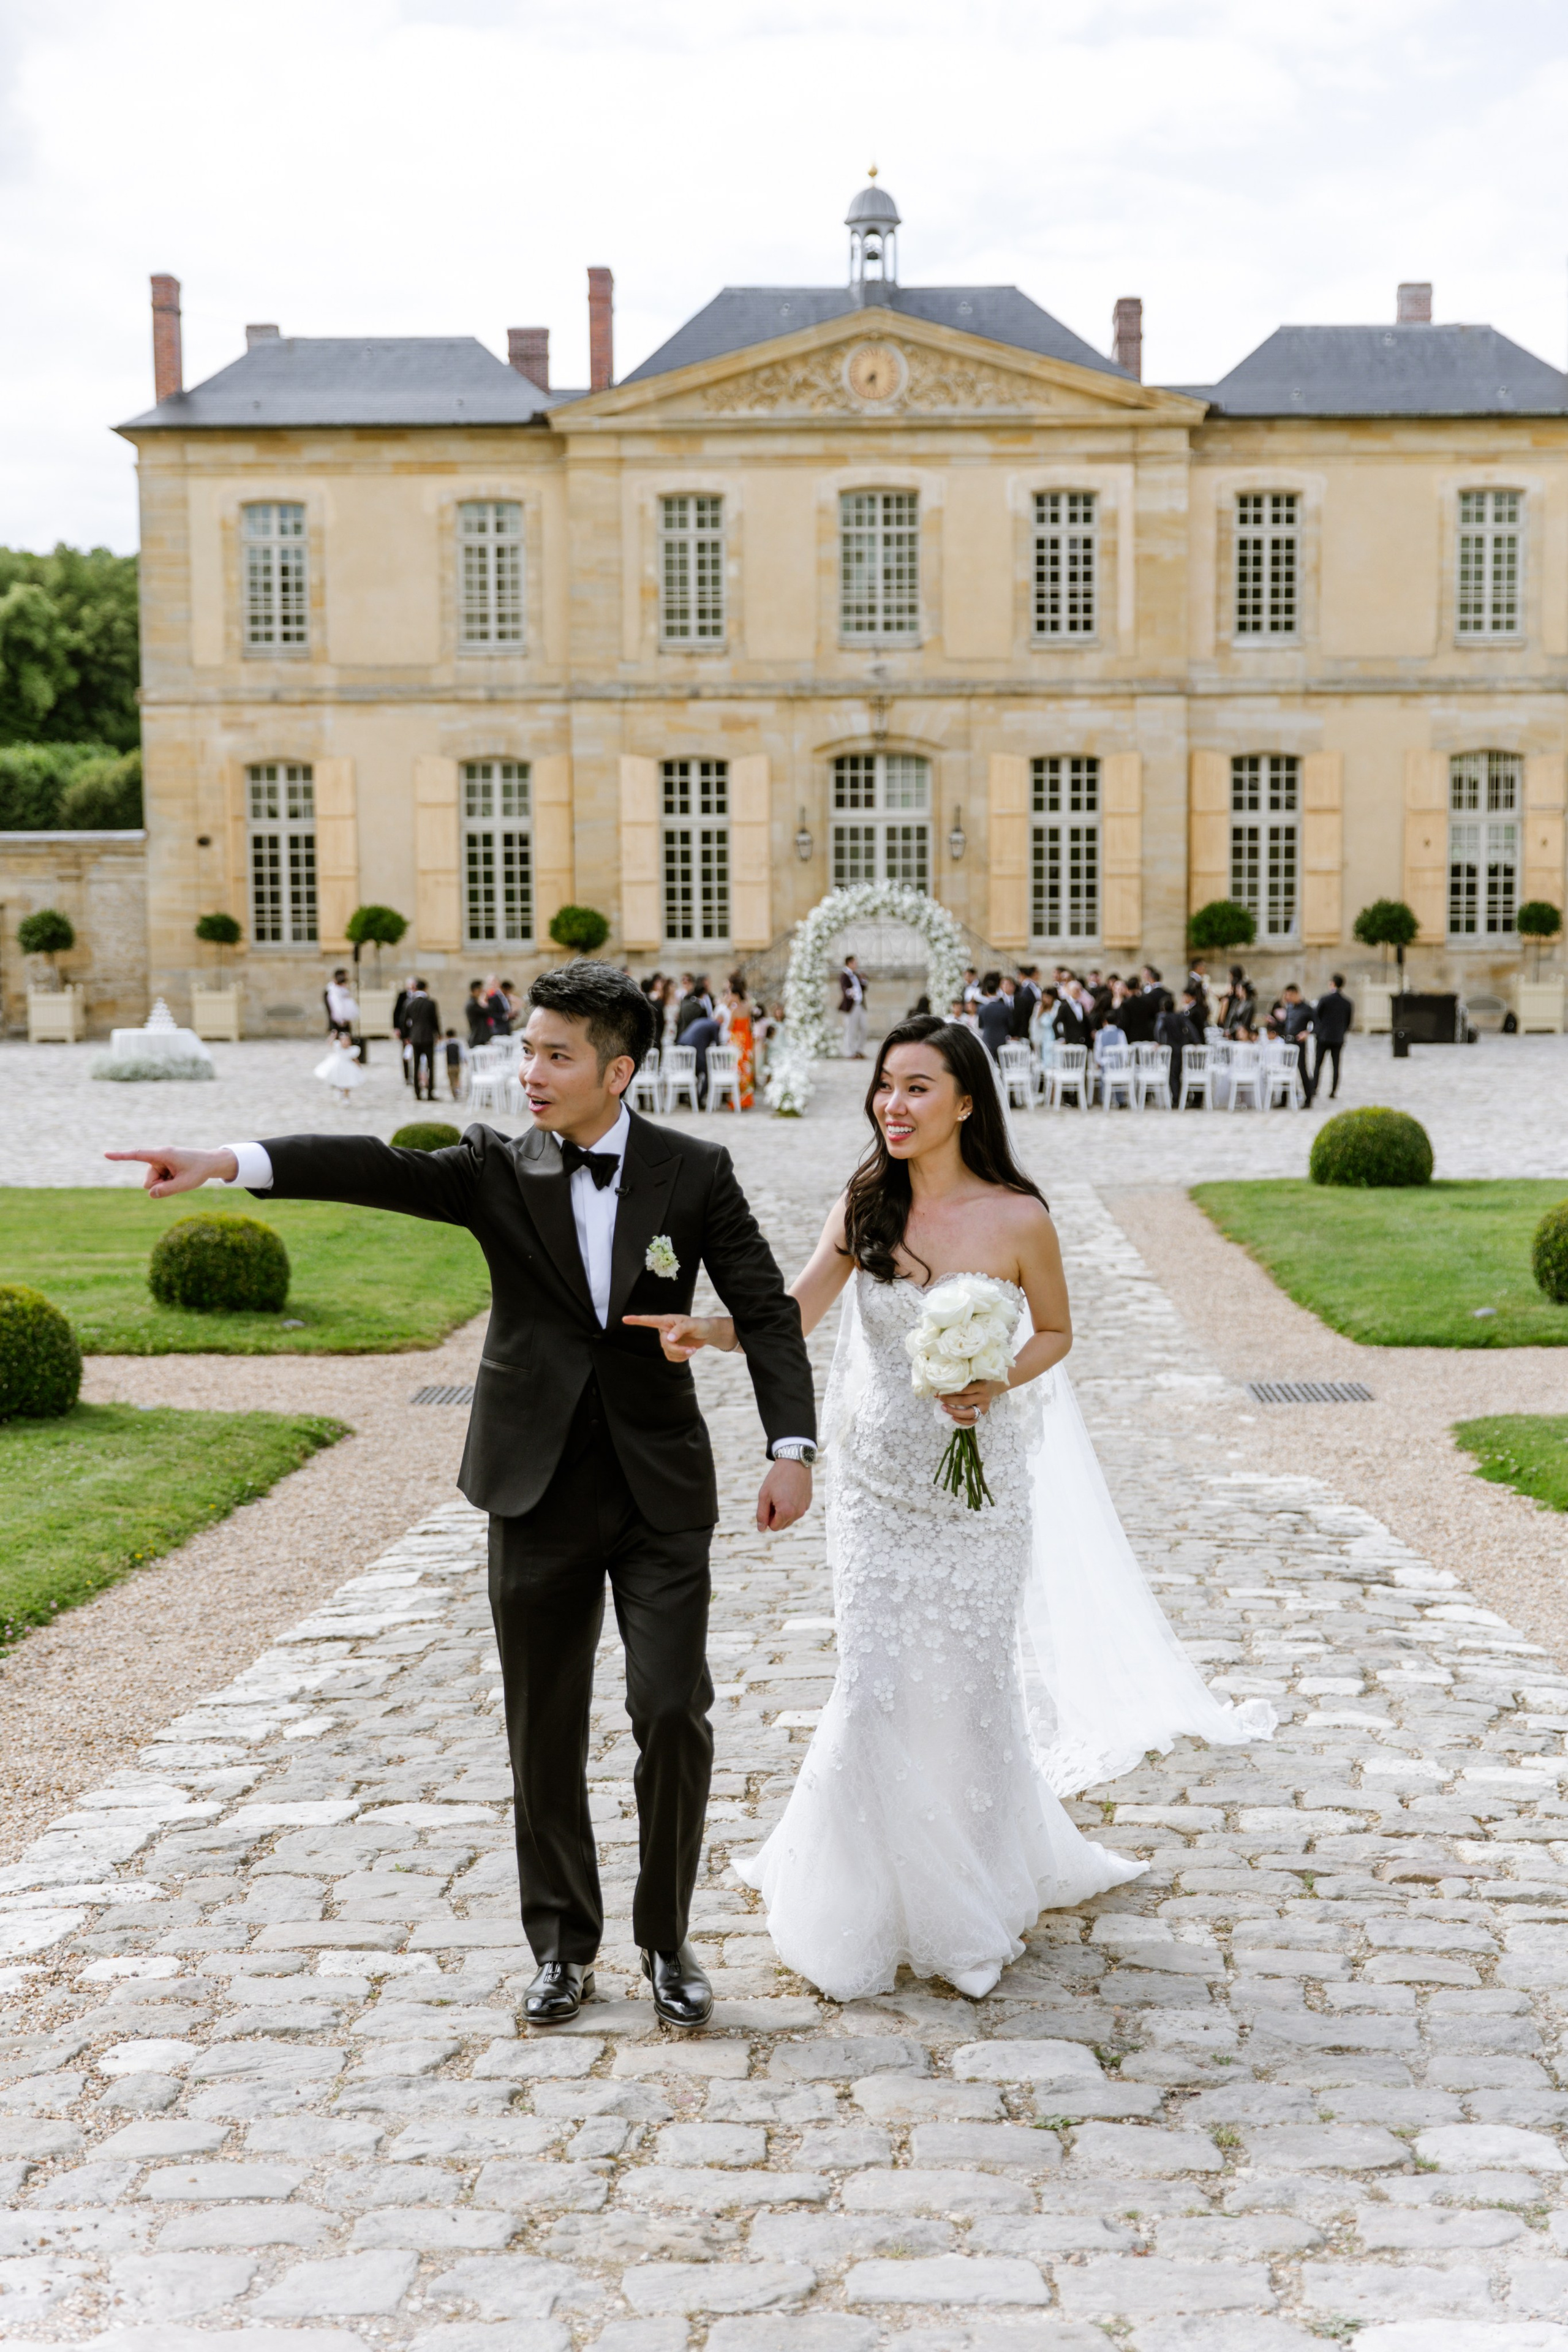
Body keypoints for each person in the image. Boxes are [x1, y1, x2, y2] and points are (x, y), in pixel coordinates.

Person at [107, 961, 816, 2034]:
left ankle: (667, 1939)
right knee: (544, 1724)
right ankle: (562, 1948)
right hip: (532, 1487)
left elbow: (765, 1309)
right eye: (529, 1051)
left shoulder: (696, 1171)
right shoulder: (495, 1165)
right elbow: (371, 1164)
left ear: (618, 1071)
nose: (530, 1072)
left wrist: (790, 1446)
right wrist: (227, 1161)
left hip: (658, 1486)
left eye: (556, 1055)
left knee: (672, 1710)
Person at [629, 1017, 1272, 2001]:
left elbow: (1055, 1331)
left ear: (966, 1103)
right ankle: (860, 1900)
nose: (893, 1105)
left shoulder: (1019, 1218)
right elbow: (793, 1312)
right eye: (886, 1085)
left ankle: (969, 1896)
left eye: (917, 1087)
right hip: (876, 1488)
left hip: (979, 1494)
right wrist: (713, 1332)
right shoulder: (865, 1203)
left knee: (968, 1694)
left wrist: (995, 1377)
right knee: (877, 1685)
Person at [1312, 973, 1354, 1101]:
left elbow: (1316, 1016)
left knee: (1318, 1064)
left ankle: (1314, 1088)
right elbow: (1348, 1022)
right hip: (1338, 1037)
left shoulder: (1324, 999)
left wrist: (1318, 1031)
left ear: (1333, 984)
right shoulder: (1347, 1003)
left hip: (1323, 1037)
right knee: (1336, 1066)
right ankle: (1333, 1091)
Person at [723, 977, 755, 1110]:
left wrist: (728, 1005)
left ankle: (736, 1100)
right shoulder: (747, 1007)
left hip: (737, 1043)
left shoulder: (734, 1010)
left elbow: (729, 1027)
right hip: (747, 1041)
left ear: (736, 995)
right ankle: (746, 1099)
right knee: (746, 1071)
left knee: (736, 1071)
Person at [406, 981, 442, 1102]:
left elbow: (405, 1021)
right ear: (426, 988)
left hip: (415, 1038)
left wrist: (408, 1036)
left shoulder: (411, 1004)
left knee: (416, 1065)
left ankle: (417, 1092)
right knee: (430, 1066)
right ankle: (430, 1092)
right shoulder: (430, 1003)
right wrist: (438, 1033)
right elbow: (435, 1020)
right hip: (428, 1037)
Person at [975, 972, 1012, 1058]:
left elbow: (980, 1025)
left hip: (987, 1039)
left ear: (987, 992)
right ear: (997, 991)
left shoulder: (982, 1008)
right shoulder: (1005, 1007)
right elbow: (1010, 1025)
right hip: (1002, 1039)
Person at [838, 957, 867, 1059]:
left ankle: (859, 1050)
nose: (856, 964)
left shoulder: (856, 975)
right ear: (849, 963)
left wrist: (863, 980)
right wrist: (852, 991)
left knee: (864, 1028)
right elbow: (846, 991)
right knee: (851, 1029)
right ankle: (849, 1052)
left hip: (860, 1005)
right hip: (851, 1007)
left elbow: (863, 989)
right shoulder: (844, 976)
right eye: (854, 963)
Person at [324, 968, 357, 1044]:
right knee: (337, 1034)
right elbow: (336, 1006)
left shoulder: (341, 989)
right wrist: (340, 1019)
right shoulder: (333, 991)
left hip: (343, 1015)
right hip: (338, 1017)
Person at [466, 982, 492, 1049]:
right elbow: (488, 1011)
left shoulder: (474, 1003)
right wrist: (485, 999)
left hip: (480, 1037)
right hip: (477, 1038)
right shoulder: (473, 1004)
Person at [444, 1027, 468, 1101]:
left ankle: (454, 1092)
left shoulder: (446, 1045)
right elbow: (462, 1054)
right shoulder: (458, 1045)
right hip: (457, 1065)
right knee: (457, 1078)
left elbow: (439, 1049)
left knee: (451, 1079)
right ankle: (457, 1089)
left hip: (450, 1065)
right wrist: (465, 1061)